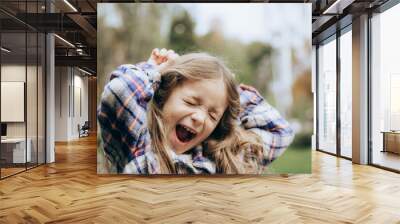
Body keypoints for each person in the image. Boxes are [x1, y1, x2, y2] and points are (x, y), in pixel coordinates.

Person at [98, 48, 294, 174]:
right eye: (191, 102)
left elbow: (280, 131)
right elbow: (119, 92)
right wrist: (156, 70)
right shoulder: (136, 146)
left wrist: (230, 92)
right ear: (163, 95)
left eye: (212, 115)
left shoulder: (219, 160)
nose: (200, 118)